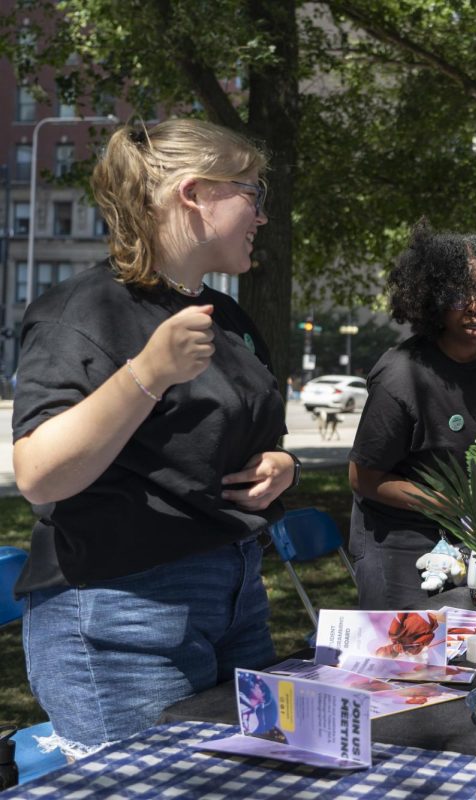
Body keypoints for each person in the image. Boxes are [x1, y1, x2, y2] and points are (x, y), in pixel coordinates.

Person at [12, 119, 296, 756]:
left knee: (253, 779)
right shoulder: (81, 312)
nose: (262, 215)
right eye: (252, 193)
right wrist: (147, 373)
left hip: (236, 595)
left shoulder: (230, 319)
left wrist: (283, 464)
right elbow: (38, 474)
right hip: (122, 608)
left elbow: (251, 439)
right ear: (193, 194)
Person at [348, 223, 476, 609]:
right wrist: (449, 504)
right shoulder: (401, 376)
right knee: (414, 658)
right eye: (459, 294)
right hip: (401, 546)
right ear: (433, 300)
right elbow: (364, 478)